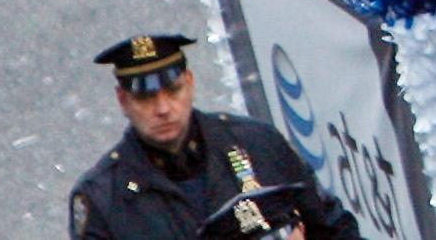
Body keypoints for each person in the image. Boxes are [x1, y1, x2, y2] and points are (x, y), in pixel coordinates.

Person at [70, 35, 360, 239]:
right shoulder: (103, 198)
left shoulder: (258, 143)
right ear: (123, 100)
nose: (163, 109)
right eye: (145, 97)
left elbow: (333, 227)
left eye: (173, 91)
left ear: (191, 84)